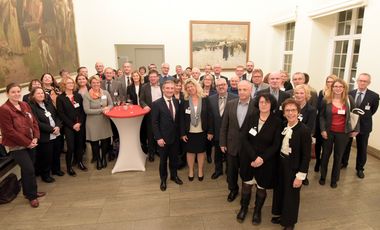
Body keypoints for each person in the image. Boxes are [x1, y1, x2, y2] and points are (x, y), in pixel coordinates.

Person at [237, 93, 281, 224]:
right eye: (261, 102)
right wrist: (254, 157)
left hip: (266, 161)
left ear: (271, 104)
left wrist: (261, 158)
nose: (264, 104)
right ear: (258, 103)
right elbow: (243, 138)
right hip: (249, 159)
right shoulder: (251, 117)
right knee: (246, 185)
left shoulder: (277, 121)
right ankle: (243, 208)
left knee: (262, 188)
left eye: (267, 102)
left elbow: (276, 144)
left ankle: (257, 211)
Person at [0, 83, 45, 208]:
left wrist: (36, 137)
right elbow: (9, 131)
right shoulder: (4, 109)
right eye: (13, 92)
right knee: (29, 169)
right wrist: (27, 142)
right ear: (7, 93)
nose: (16, 94)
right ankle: (32, 197)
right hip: (17, 145)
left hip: (31, 142)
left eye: (18, 91)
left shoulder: (24, 105)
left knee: (28, 170)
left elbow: (34, 121)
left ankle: (29, 192)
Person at [271, 98, 311, 230]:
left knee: (291, 195)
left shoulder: (304, 130)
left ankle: (289, 222)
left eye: (293, 110)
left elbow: (306, 156)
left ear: (298, 112)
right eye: (287, 110)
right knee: (280, 190)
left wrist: (300, 176)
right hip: (281, 163)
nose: (290, 113)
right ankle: (280, 213)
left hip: (294, 167)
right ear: (284, 113)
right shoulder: (283, 125)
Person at [319, 79, 359, 188]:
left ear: (344, 88)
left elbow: (355, 114)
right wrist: (322, 129)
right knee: (325, 155)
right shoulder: (326, 100)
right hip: (328, 132)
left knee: (338, 156)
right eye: (336, 86)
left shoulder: (349, 99)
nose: (338, 88)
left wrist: (356, 129)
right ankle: (323, 176)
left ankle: (334, 179)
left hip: (343, 133)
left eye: (341, 86)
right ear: (332, 88)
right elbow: (321, 116)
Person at [220, 80, 255, 202]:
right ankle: (233, 189)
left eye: (245, 89)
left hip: (249, 147)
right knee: (231, 171)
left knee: (246, 171)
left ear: (251, 90)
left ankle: (246, 192)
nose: (241, 92)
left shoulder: (256, 105)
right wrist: (222, 142)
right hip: (232, 144)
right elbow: (224, 125)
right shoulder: (231, 104)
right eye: (240, 89)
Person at [342, 73, 379, 178]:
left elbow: (372, 110)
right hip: (349, 125)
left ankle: (360, 168)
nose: (362, 83)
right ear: (357, 81)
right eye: (361, 80)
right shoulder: (350, 93)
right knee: (346, 145)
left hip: (364, 126)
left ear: (369, 83)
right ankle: (344, 163)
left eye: (365, 81)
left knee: (362, 148)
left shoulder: (374, 96)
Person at [151, 80, 183, 191]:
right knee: (163, 160)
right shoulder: (156, 104)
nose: (170, 90)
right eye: (167, 88)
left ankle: (174, 176)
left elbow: (178, 120)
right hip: (163, 139)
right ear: (163, 89)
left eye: (172, 88)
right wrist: (158, 137)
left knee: (174, 159)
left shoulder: (176, 101)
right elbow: (154, 122)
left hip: (175, 137)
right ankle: (163, 179)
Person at [180, 78, 213, 181]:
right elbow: (181, 118)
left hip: (202, 130)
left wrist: (211, 131)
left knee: (201, 151)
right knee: (190, 152)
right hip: (189, 131)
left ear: (196, 86)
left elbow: (210, 116)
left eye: (192, 86)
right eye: (188, 87)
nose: (190, 88)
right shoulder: (184, 100)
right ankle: (190, 170)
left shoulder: (205, 99)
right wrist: (182, 133)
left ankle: (200, 170)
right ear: (186, 89)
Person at [29, 87, 63, 183]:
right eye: (38, 93)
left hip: (56, 132)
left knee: (56, 153)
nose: (41, 95)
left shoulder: (48, 104)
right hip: (45, 135)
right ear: (33, 96)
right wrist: (52, 129)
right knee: (46, 156)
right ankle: (46, 175)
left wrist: (58, 126)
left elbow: (57, 116)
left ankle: (56, 170)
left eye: (42, 93)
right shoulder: (32, 107)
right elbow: (36, 122)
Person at [56, 78, 87, 175]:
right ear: (64, 85)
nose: (71, 84)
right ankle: (69, 167)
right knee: (71, 147)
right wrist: (73, 125)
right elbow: (61, 114)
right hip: (69, 127)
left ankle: (80, 162)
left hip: (79, 125)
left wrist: (80, 123)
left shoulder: (78, 96)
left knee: (80, 145)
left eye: (72, 82)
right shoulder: (60, 98)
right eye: (68, 83)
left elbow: (82, 111)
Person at [208, 78, 238, 179]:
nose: (221, 87)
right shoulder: (210, 99)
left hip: (230, 133)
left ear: (227, 85)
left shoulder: (235, 98)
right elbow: (209, 117)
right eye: (218, 85)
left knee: (229, 154)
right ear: (215, 87)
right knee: (217, 154)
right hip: (216, 132)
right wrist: (210, 131)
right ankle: (218, 170)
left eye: (223, 84)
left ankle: (229, 171)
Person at [83, 75, 113, 170]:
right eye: (94, 83)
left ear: (100, 83)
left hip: (104, 120)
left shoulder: (105, 93)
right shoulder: (87, 95)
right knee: (95, 142)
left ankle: (104, 157)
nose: (96, 84)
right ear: (90, 84)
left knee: (105, 141)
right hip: (92, 122)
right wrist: (101, 110)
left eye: (98, 82)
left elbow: (111, 104)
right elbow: (87, 110)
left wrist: (108, 108)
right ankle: (98, 159)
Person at [293, 84, 317, 185]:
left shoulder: (311, 110)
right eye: (297, 93)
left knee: (304, 158)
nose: (299, 95)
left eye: (301, 93)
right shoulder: (291, 106)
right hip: (291, 136)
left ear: (306, 95)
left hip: (304, 138)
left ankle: (304, 176)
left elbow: (310, 127)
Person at [314, 74, 337, 172]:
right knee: (318, 144)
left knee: (326, 146)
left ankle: (323, 162)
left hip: (332, 124)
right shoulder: (322, 93)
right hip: (321, 122)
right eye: (328, 82)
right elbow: (319, 107)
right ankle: (318, 161)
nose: (329, 84)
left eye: (332, 82)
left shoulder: (339, 94)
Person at [140, 69, 162, 161]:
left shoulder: (162, 86)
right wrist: (145, 106)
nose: (152, 78)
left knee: (160, 132)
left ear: (158, 77)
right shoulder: (144, 87)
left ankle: (159, 150)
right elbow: (141, 100)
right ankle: (151, 152)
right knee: (150, 133)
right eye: (151, 77)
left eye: (154, 77)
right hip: (150, 113)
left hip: (161, 113)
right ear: (148, 78)